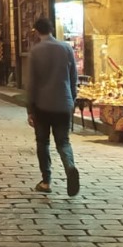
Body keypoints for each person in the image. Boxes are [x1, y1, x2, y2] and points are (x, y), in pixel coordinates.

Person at [26, 15, 80, 196]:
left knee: (43, 142)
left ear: (36, 31)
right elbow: (73, 77)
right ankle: (70, 167)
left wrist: (30, 109)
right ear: (52, 30)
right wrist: (72, 99)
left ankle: (46, 181)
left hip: (42, 106)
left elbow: (31, 83)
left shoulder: (36, 51)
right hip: (63, 103)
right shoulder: (66, 48)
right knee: (63, 142)